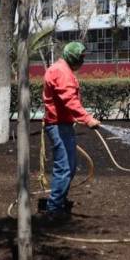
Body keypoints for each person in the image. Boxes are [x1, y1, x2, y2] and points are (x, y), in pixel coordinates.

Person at [42, 41, 101, 221]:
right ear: (74, 57)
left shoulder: (63, 69)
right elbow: (70, 100)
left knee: (70, 167)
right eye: (81, 58)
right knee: (64, 168)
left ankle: (59, 201)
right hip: (58, 125)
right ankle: (53, 209)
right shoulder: (61, 71)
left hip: (63, 125)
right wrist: (87, 119)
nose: (82, 61)